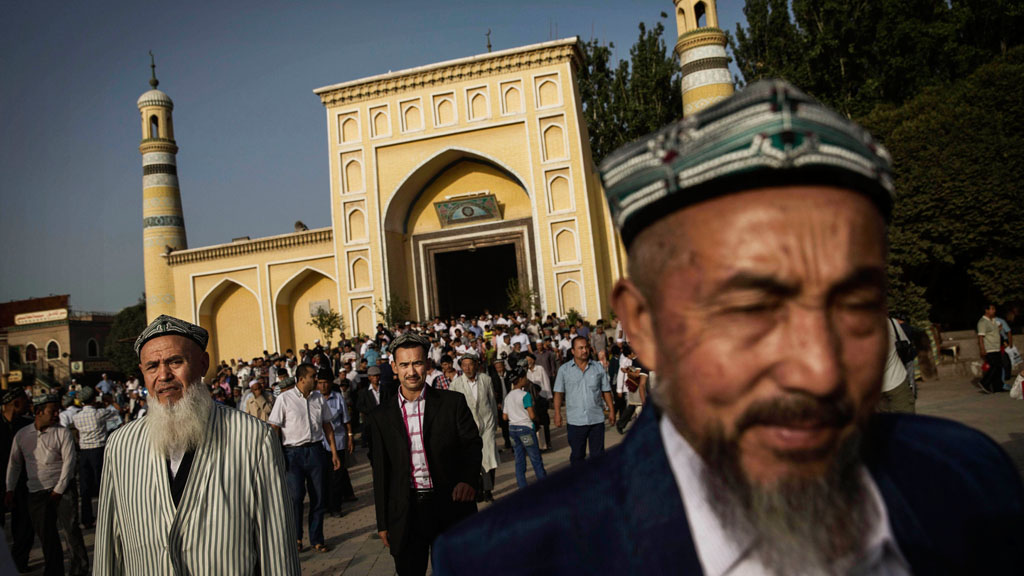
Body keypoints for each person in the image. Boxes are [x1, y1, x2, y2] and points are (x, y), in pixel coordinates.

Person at [432, 80, 1024, 574]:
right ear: (643, 323)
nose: (820, 370)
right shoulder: (512, 560)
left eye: (855, 306)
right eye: (752, 309)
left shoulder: (964, 481)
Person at [93, 314, 299, 574]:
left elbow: (276, 544)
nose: (164, 375)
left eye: (175, 362)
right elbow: (108, 549)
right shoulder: (121, 446)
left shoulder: (252, 438)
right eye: (152, 366)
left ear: (203, 364)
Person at [367, 332, 482, 576]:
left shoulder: (453, 403)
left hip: (450, 504)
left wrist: (468, 479)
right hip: (407, 511)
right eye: (405, 364)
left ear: (427, 365)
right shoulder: (381, 416)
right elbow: (381, 471)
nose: (411, 371)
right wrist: (383, 522)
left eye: (417, 363)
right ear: (394, 367)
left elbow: (472, 445)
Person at [6, 394, 89, 576]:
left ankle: (80, 570)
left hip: (63, 491)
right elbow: (15, 464)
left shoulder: (62, 432)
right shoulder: (22, 435)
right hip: (36, 492)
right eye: (52, 411)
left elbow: (69, 463)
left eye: (58, 410)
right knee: (47, 537)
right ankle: (54, 571)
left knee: (71, 533)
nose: (56, 414)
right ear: (38, 412)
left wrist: (59, 490)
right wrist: (9, 489)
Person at [269, 364, 342, 553]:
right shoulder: (284, 399)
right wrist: (275, 455)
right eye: (312, 376)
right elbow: (274, 429)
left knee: (318, 497)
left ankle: (317, 538)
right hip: (292, 454)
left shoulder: (319, 399)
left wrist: (333, 452)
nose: (316, 380)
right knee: (296, 497)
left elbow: (327, 427)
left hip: (316, 451)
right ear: (301, 379)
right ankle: (296, 538)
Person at [553, 336, 614, 464]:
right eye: (580, 348)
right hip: (576, 421)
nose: (584, 350)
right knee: (577, 456)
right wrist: (557, 413)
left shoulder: (598, 368)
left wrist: (612, 410)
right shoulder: (564, 370)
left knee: (598, 457)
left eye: (586, 347)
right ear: (573, 351)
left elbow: (606, 390)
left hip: (596, 419)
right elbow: (558, 393)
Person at [449, 353, 499, 501]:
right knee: (472, 459)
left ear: (476, 365)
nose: (468, 368)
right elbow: (453, 409)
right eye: (464, 365)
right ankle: (477, 489)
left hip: (487, 423)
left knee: (490, 458)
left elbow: (492, 402)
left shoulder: (485, 380)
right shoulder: (456, 384)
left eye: (470, 364)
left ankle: (488, 490)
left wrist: (494, 423)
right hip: (468, 428)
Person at [71, 386, 118, 528]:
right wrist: (107, 399)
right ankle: (106, 517)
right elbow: (117, 410)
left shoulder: (76, 417)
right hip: (98, 450)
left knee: (85, 488)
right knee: (102, 485)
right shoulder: (99, 413)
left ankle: (86, 519)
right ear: (93, 399)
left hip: (84, 452)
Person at [1, 388, 34, 571]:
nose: (28, 403)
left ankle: (19, 562)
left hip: (22, 482)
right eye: (25, 400)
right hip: (1, 483)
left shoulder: (26, 426)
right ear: (15, 402)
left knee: (23, 525)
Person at [502, 364, 546, 489]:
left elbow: (505, 417)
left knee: (519, 459)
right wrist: (537, 420)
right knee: (535, 458)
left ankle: (522, 486)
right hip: (525, 429)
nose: (526, 379)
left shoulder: (508, 397)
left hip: (513, 430)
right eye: (525, 377)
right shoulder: (525, 395)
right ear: (520, 379)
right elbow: (532, 415)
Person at [318, 374, 356, 516]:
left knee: (337, 476)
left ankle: (336, 507)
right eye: (320, 382)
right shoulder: (314, 398)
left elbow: (346, 420)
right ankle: (327, 505)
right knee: (324, 477)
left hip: (339, 442)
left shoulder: (338, 397)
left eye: (325, 382)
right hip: (321, 443)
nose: (323, 386)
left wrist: (350, 437)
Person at [357, 365, 393, 464]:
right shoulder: (364, 392)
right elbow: (359, 406)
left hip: (384, 423)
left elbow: (390, 403)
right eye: (373, 376)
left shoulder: (385, 389)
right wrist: (371, 411)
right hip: (370, 423)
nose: (376, 378)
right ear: (369, 377)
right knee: (373, 446)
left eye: (377, 376)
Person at [978, 304, 1004, 393]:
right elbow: (981, 337)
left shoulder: (993, 321)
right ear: (986, 310)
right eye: (992, 309)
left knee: (999, 367)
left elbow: (992, 333)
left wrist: (999, 329)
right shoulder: (982, 322)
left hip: (996, 347)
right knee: (993, 366)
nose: (994, 311)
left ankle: (998, 387)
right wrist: (982, 349)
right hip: (989, 348)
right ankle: (985, 382)